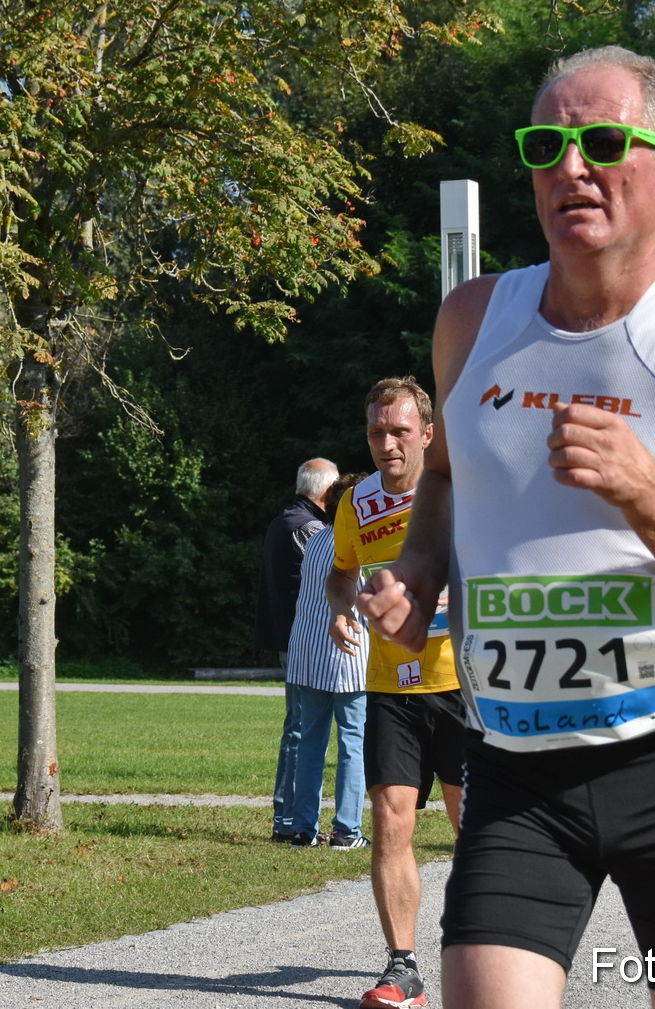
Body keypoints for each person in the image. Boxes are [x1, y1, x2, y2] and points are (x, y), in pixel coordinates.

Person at [359, 45, 655, 1009]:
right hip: (517, 768)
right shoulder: (471, 319)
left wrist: (647, 492)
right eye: (546, 144)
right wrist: (421, 569)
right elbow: (442, 472)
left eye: (603, 140)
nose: (572, 166)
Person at [326, 378, 465, 1009]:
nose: (387, 443)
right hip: (390, 686)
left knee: (478, 830)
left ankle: (480, 951)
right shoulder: (356, 502)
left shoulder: (462, 494)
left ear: (427, 434)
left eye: (400, 431)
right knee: (389, 820)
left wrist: (449, 595)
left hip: (464, 684)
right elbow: (341, 573)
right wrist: (343, 607)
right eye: (377, 432)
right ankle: (403, 968)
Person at [284, 472, 371, 849]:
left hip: (308, 653)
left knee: (310, 742)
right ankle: (346, 829)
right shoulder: (361, 542)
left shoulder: (317, 539)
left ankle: (303, 827)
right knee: (353, 742)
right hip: (349, 655)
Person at [257, 457, 339, 842]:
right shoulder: (309, 528)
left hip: (290, 639)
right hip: (303, 640)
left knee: (298, 728)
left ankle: (287, 820)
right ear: (325, 491)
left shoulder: (284, 520)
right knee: (301, 730)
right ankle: (288, 821)